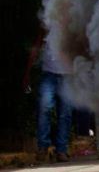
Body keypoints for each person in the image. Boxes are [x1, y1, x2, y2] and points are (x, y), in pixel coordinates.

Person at [22, 28, 73, 163]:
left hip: (68, 75)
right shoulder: (47, 22)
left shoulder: (72, 22)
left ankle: (61, 150)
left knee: (65, 114)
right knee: (44, 109)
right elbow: (36, 48)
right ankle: (43, 148)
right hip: (49, 74)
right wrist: (27, 73)